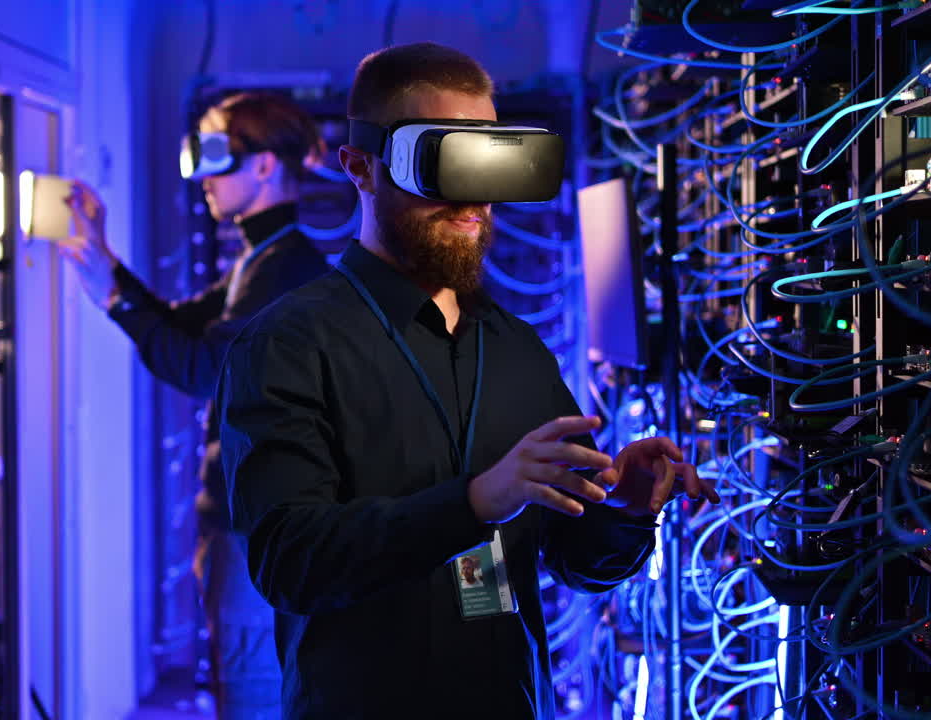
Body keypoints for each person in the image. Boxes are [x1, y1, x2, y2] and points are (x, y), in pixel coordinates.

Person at [217, 43, 721, 718]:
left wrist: (623, 509)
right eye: (440, 164)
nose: (472, 197)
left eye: (486, 162)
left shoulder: (515, 350)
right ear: (362, 168)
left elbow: (575, 560)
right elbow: (291, 561)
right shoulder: (288, 346)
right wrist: (477, 502)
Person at [60, 91, 331, 720]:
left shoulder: (284, 271)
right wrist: (107, 267)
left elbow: (202, 366)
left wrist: (114, 299)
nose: (203, 178)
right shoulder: (263, 261)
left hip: (257, 530)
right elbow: (186, 327)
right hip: (246, 526)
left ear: (265, 166)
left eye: (215, 155)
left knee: (251, 692)